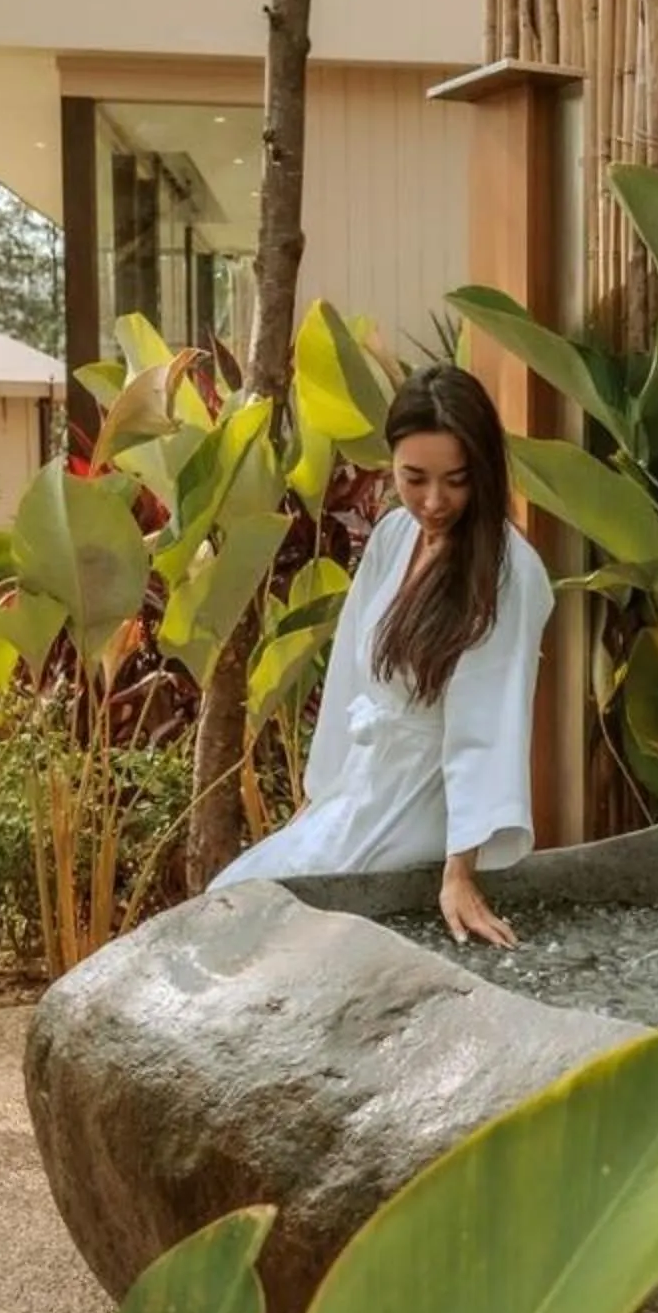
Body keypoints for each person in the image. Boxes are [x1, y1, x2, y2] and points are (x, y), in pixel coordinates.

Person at [207, 363, 554, 948]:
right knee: (231, 894)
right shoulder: (395, 534)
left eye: (456, 480)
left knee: (277, 927)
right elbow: (350, 672)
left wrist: (459, 870)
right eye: (415, 477)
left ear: (485, 473)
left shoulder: (509, 572)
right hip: (364, 785)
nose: (434, 500)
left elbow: (487, 724)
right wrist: (317, 802)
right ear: (391, 460)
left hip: (424, 801)